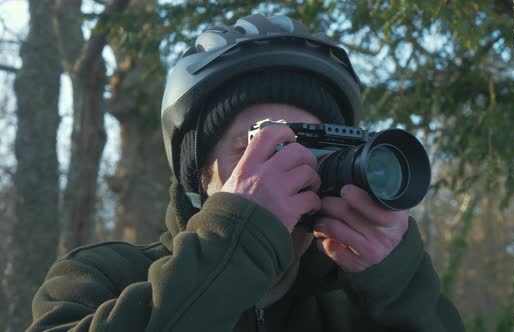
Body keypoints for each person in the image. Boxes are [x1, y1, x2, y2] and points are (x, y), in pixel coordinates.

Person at [28, 14, 465, 331]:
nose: (294, 168)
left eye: (315, 149)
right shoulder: (101, 276)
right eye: (260, 148)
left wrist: (402, 286)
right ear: (198, 175)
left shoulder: (352, 309)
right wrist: (234, 243)